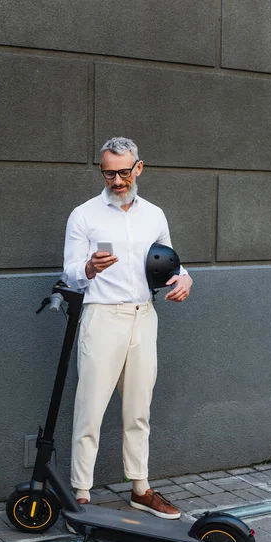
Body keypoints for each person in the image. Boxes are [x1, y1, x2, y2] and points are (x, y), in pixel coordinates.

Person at [63, 137, 192, 519]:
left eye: (123, 171)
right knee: (90, 410)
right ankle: (81, 493)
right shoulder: (84, 215)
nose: (116, 180)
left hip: (144, 316)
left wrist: (185, 279)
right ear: (101, 171)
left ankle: (140, 488)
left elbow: (171, 262)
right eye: (108, 172)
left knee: (138, 411)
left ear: (139, 167)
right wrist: (88, 268)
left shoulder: (154, 214)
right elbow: (69, 273)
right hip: (102, 316)